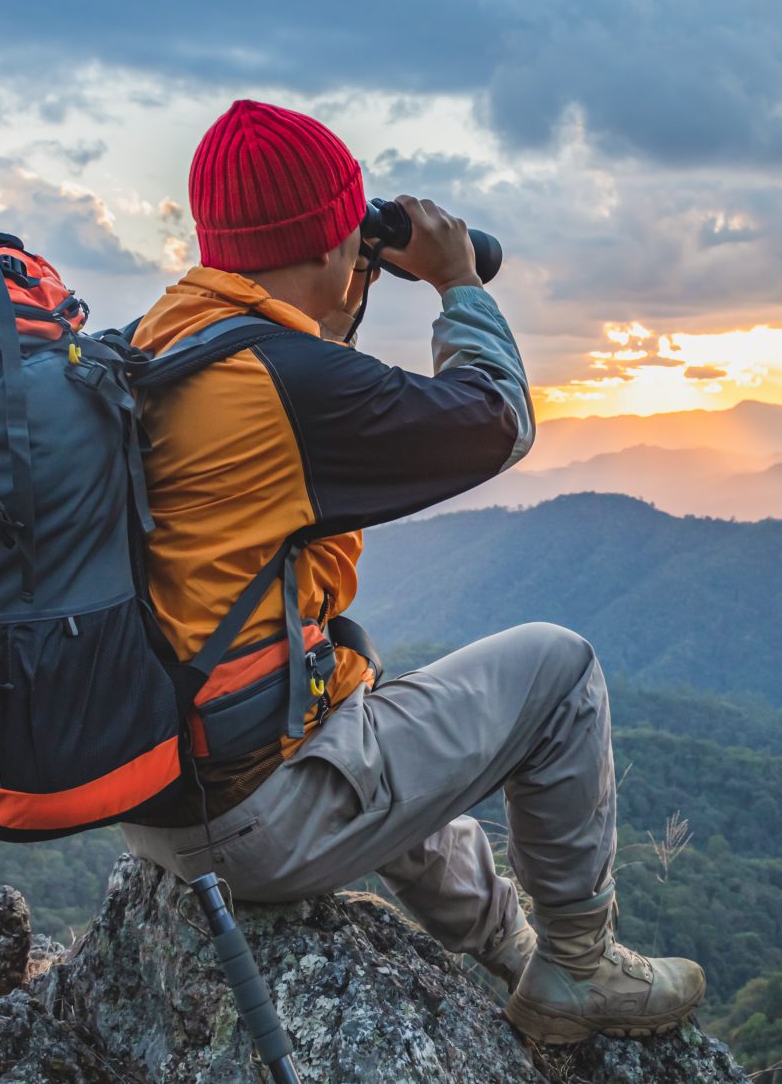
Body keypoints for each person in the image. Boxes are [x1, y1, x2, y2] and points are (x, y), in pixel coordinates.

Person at [119, 100, 705, 1044]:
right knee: (559, 669)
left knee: (362, 698)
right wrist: (458, 281)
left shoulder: (160, 344)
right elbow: (497, 420)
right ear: (330, 248)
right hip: (257, 824)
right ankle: (579, 964)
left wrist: (334, 300)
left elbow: (307, 413)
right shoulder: (281, 383)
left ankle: (512, 942)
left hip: (161, 806)